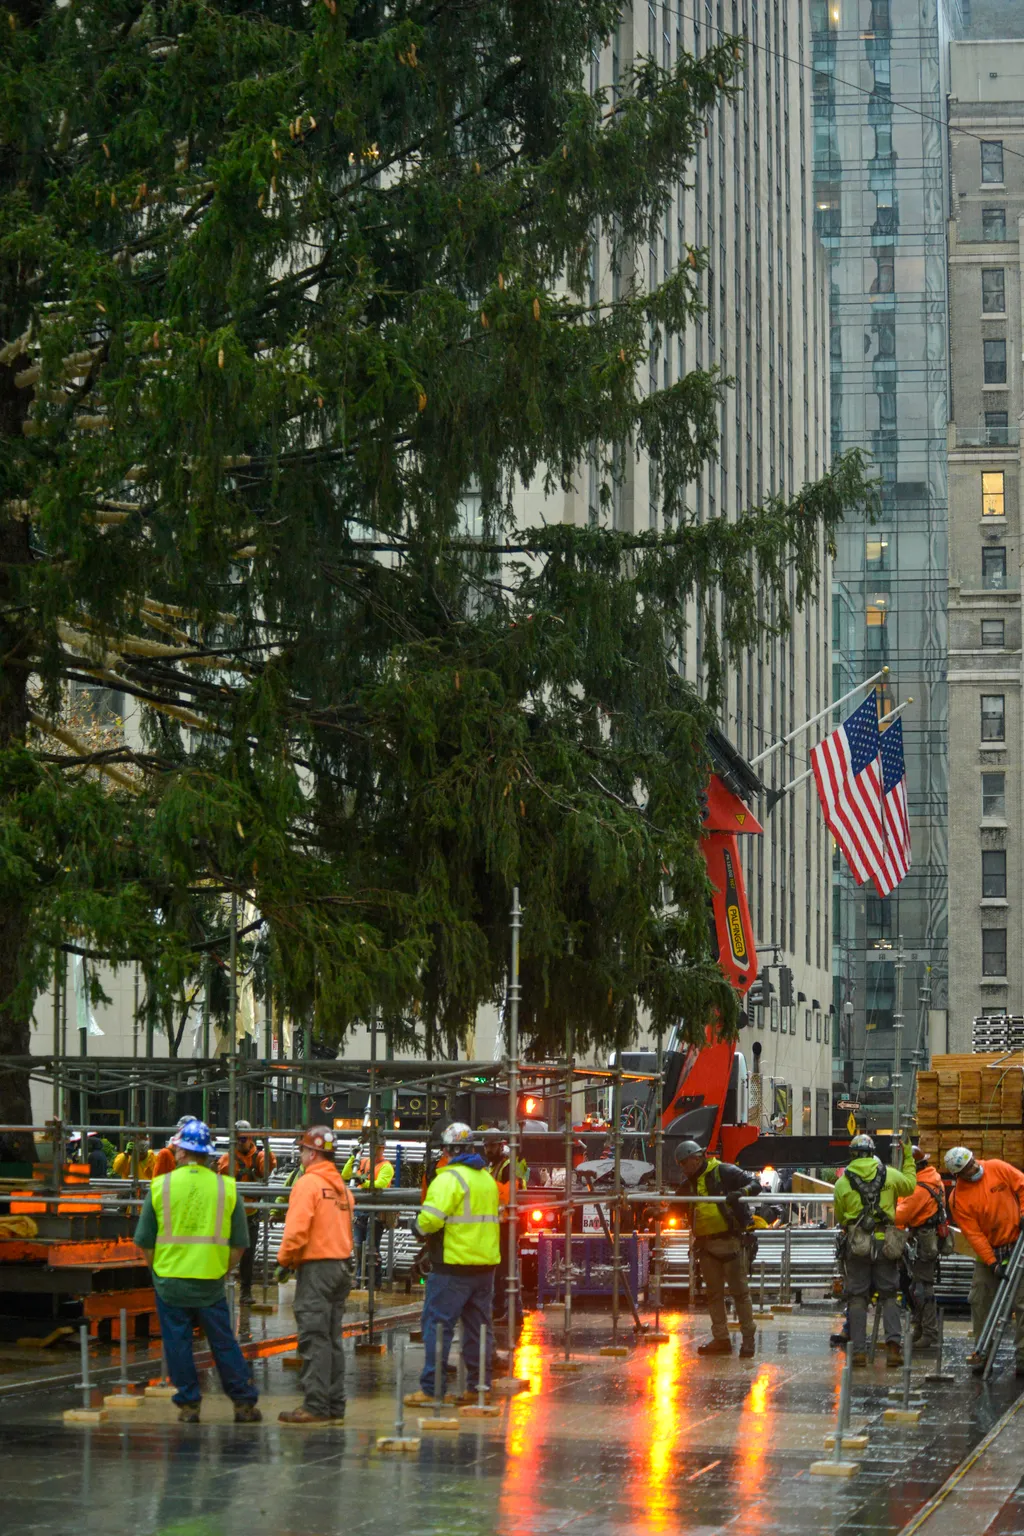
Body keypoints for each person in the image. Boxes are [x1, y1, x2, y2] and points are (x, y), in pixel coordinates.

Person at [134, 1118, 261, 1423]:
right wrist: (220, 1269)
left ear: (179, 1151)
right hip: (210, 1282)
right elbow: (239, 1244)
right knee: (223, 1342)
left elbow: (145, 1242)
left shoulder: (160, 1186)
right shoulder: (226, 1188)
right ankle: (243, 1403)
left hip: (170, 1282)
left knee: (178, 1343)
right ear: (206, 1153)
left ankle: (189, 1404)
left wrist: (159, 1273)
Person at [404, 1122, 500, 1408]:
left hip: (452, 1266)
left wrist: (417, 1227)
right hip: (484, 1267)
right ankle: (478, 1386)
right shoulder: (486, 1180)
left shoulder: (448, 1179)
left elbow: (430, 1220)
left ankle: (433, 1388)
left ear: (447, 1150)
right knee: (478, 1327)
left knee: (437, 1325)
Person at [276, 1125, 356, 1424]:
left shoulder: (308, 1184)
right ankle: (335, 1404)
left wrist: (285, 1260)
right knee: (332, 1338)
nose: (300, 1154)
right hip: (341, 1267)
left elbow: (297, 1230)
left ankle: (316, 1405)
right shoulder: (342, 1189)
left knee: (314, 1338)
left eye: (302, 1150)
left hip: (318, 1269)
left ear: (312, 1153)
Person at [833, 1132, 917, 1367]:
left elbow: (840, 1215)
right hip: (886, 1244)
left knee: (857, 1297)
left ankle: (858, 1352)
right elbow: (910, 1185)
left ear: (852, 1154)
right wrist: (908, 1156)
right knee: (889, 1295)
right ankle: (893, 1349)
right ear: (872, 1153)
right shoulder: (889, 1174)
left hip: (857, 1244)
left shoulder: (842, 1182)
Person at [675, 1138, 761, 1359]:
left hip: (731, 1242)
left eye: (685, 1163)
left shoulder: (723, 1171)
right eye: (681, 1165)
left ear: (696, 1158)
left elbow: (755, 1184)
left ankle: (748, 1339)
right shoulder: (689, 1184)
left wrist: (741, 1193)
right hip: (706, 1245)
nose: (683, 1169)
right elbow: (675, 1207)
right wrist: (659, 1212)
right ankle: (721, 1338)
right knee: (714, 1294)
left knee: (740, 1293)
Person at [946, 1146, 1024, 1376]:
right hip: (990, 1250)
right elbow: (974, 1235)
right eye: (967, 1168)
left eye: (972, 1162)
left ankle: (1022, 1355)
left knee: (1022, 1302)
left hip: (1017, 1243)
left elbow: (1022, 1185)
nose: (974, 1168)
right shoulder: (959, 1199)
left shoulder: (997, 1168)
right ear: (959, 1175)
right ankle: (982, 1351)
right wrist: (992, 1263)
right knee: (980, 1299)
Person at [218, 1119, 277, 1304]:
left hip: (250, 1214)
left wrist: (266, 1148)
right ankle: (220, 1289)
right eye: (239, 1138)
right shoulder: (228, 1159)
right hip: (230, 1213)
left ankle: (245, 1291)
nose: (242, 1141)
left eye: (245, 1137)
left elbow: (267, 1169)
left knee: (248, 1255)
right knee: (223, 1252)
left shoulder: (259, 1156)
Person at [895, 1145, 946, 1350]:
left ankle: (929, 1332)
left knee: (922, 1287)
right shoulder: (933, 1179)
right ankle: (921, 1328)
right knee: (913, 1286)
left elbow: (901, 1215)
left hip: (923, 1240)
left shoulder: (919, 1188)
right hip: (925, 1237)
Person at [482, 1126, 526, 1324]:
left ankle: (514, 1312)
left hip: (509, 1224)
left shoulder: (510, 1165)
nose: (488, 1150)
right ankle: (500, 1309)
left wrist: (486, 1187)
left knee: (508, 1270)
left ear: (501, 1145)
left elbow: (509, 1195)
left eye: (492, 1146)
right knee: (500, 1270)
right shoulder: (494, 1166)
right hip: (499, 1224)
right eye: (486, 1146)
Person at [342, 1141, 394, 1283]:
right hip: (360, 1210)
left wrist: (362, 1182)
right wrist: (354, 1157)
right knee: (358, 1247)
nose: (373, 1150)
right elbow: (346, 1174)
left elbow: (381, 1184)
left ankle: (374, 1281)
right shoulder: (363, 1162)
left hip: (376, 1211)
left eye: (376, 1148)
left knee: (371, 1249)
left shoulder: (386, 1167)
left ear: (382, 1149)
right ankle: (360, 1279)